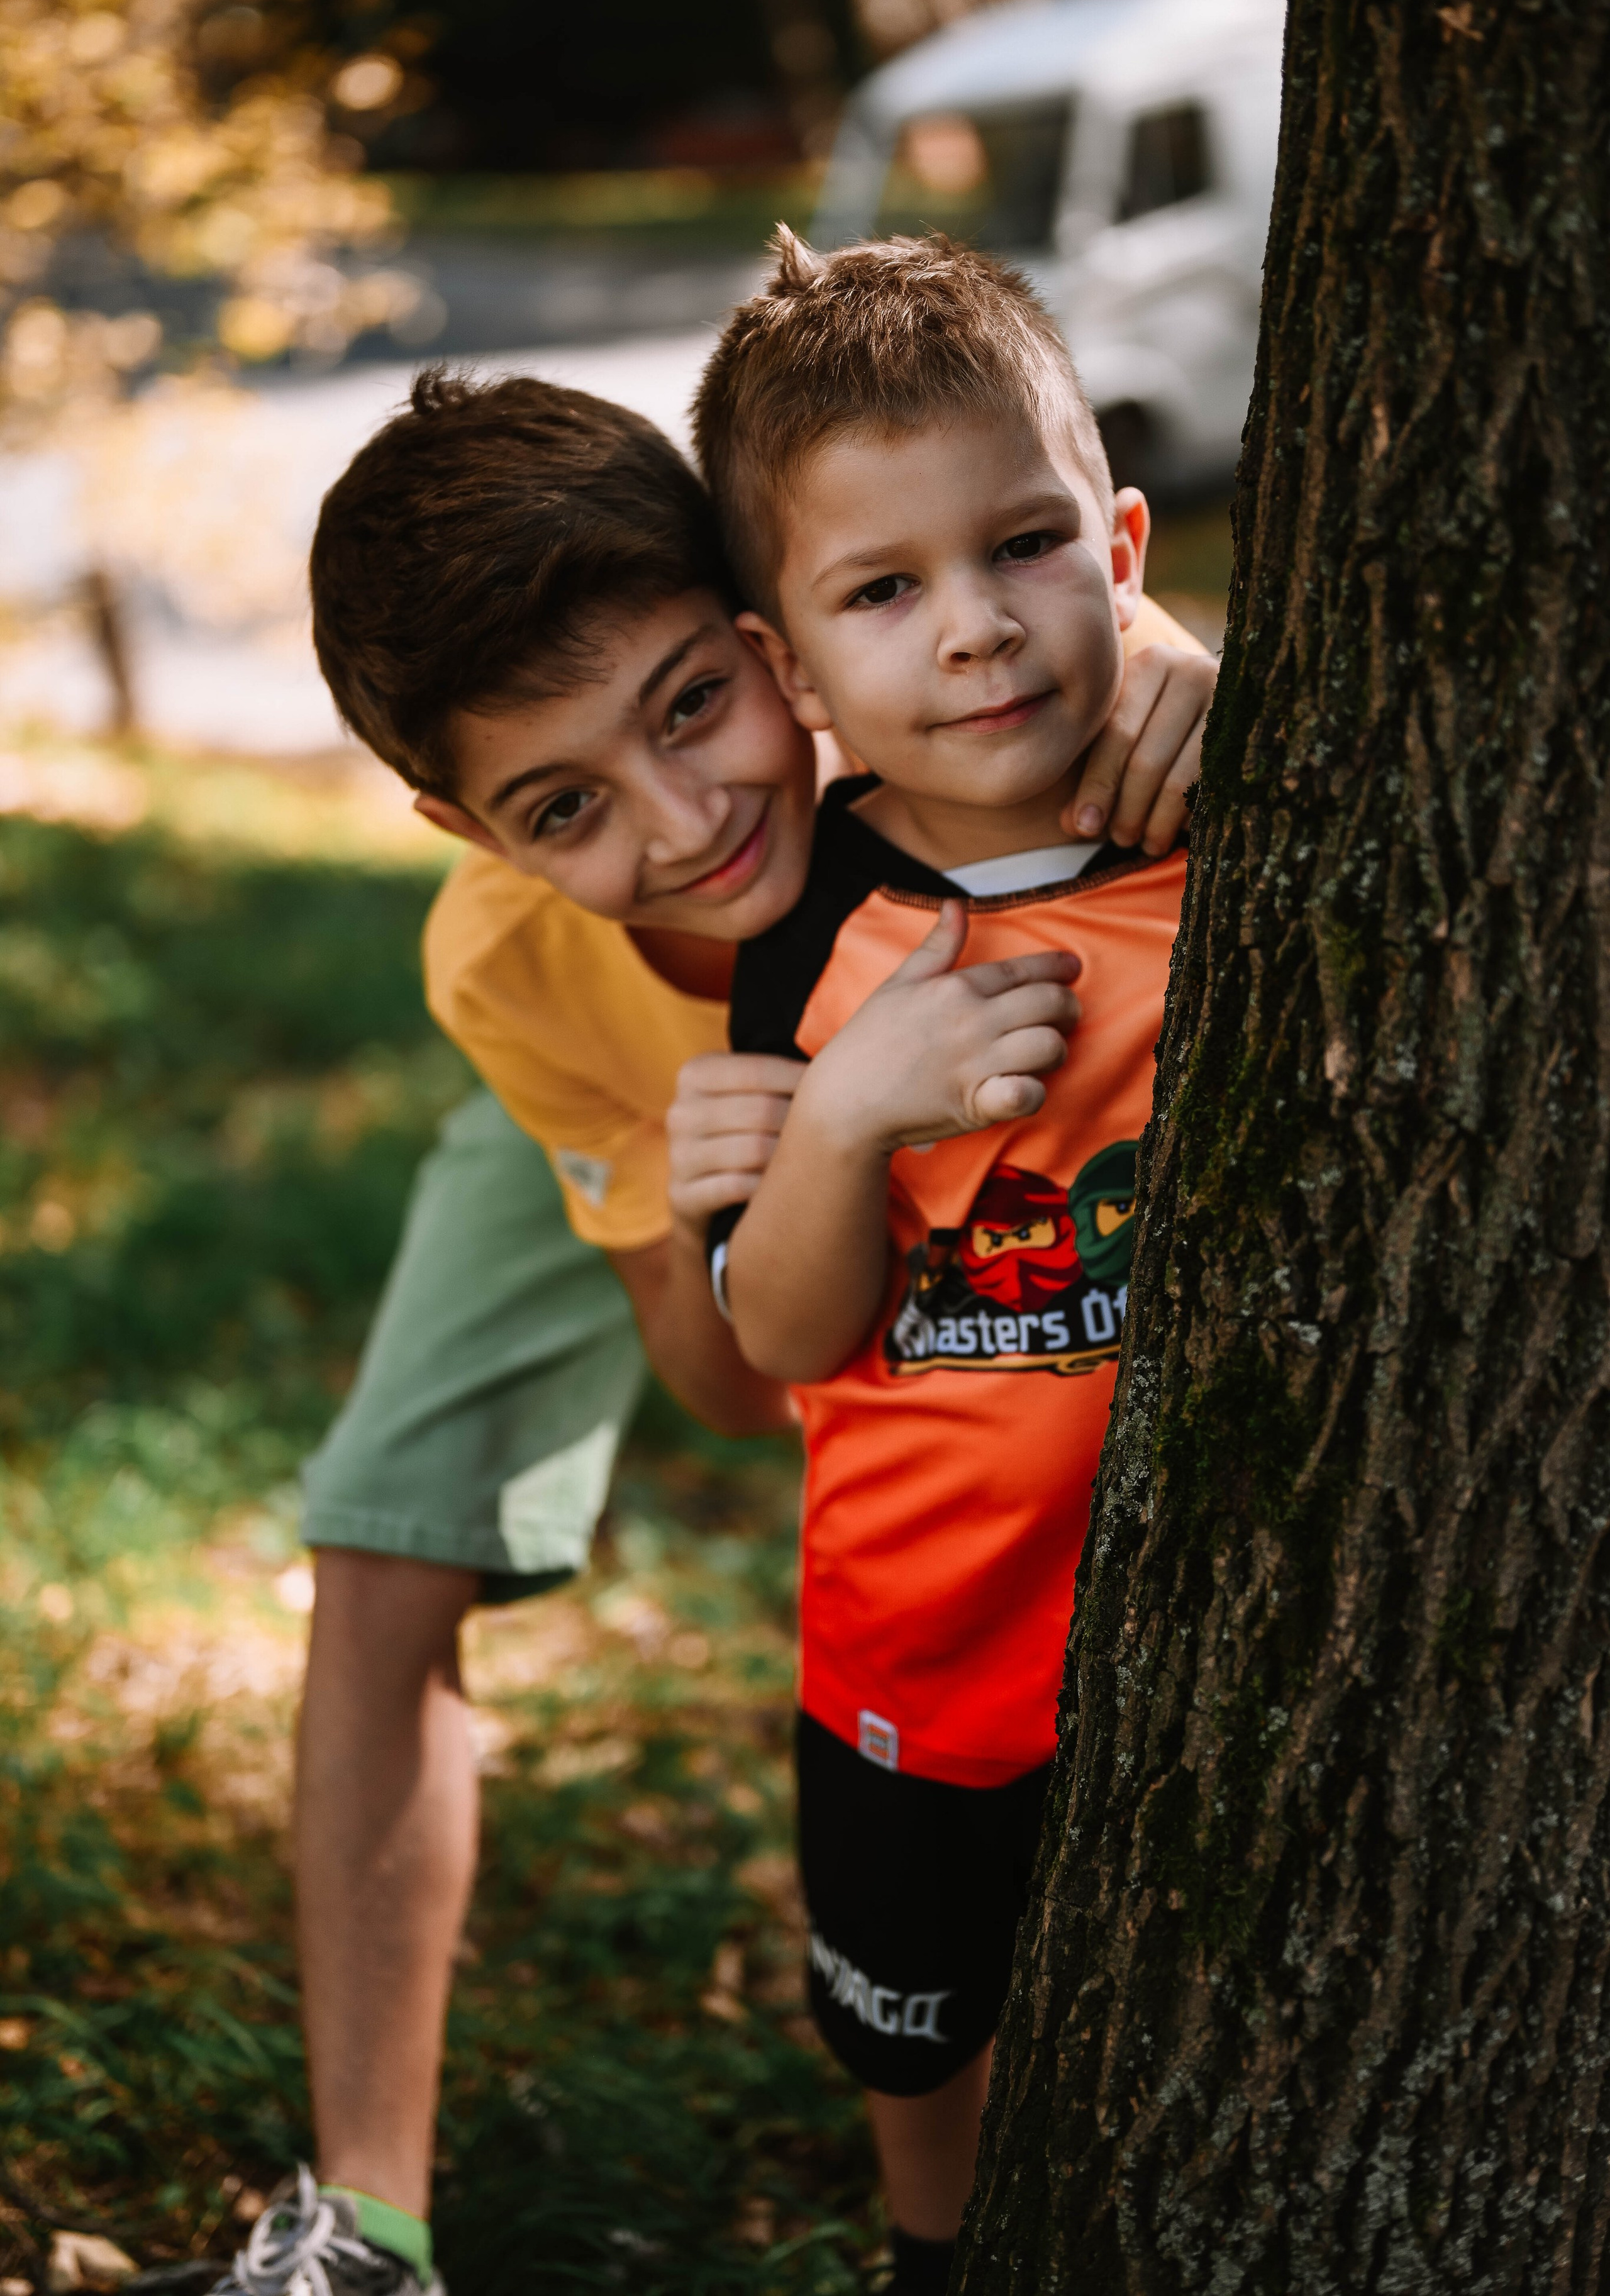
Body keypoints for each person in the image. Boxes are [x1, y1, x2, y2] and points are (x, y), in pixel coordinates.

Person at [206, 367, 1214, 2295]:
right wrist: (725, 1195)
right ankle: (363, 2217)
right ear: (462, 823)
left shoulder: (947, 715)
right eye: (562, 799)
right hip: (676, 1120)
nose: (690, 817)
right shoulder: (516, 951)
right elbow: (746, 1390)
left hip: (932, 1055)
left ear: (773, 623)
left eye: (696, 703)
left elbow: (1015, 556)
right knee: (384, 1528)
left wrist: (1175, 652)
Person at [691, 230, 1190, 2291]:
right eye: (883, 593)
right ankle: (939, 2253)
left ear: (1126, 543)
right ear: (795, 670)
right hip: (927, 1637)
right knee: (919, 2015)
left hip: (1214, 1606)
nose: (976, 633)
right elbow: (782, 1333)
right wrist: (842, 1115)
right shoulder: (807, 947)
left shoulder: (1236, 814)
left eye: (1025, 547)